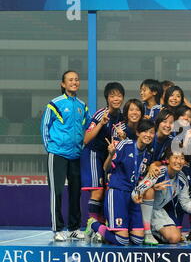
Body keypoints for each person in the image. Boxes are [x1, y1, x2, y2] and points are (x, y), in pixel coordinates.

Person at [84, 119, 155, 246]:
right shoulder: (125, 145)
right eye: (145, 131)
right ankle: (94, 225)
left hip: (133, 196)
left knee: (138, 240)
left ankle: (109, 233)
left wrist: (140, 193)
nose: (148, 135)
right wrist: (111, 154)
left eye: (151, 132)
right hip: (117, 193)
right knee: (122, 241)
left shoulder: (148, 154)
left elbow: (139, 178)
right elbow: (106, 168)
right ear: (138, 133)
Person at [41, 70, 90, 242]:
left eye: (77, 79)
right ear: (63, 84)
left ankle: (75, 228)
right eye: (70, 80)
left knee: (75, 193)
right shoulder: (54, 104)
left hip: (76, 155)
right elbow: (45, 127)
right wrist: (51, 149)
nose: (74, 82)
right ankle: (58, 229)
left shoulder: (82, 105)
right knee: (57, 191)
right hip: (58, 154)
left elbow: (87, 128)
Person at [133, 149, 191, 244]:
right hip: (140, 209)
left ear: (184, 162)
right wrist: (153, 188)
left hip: (157, 210)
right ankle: (147, 233)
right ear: (168, 160)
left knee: (175, 238)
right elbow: (136, 191)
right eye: (175, 158)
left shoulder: (182, 178)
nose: (179, 161)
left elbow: (186, 203)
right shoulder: (158, 172)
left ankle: (153, 232)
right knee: (137, 239)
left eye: (182, 158)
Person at [81, 82, 125, 229]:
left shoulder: (122, 118)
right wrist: (101, 124)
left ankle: (99, 224)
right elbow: (86, 140)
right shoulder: (100, 114)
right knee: (98, 191)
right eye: (112, 96)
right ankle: (91, 224)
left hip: (109, 155)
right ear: (107, 98)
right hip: (93, 153)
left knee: (107, 190)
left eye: (119, 95)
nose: (116, 99)